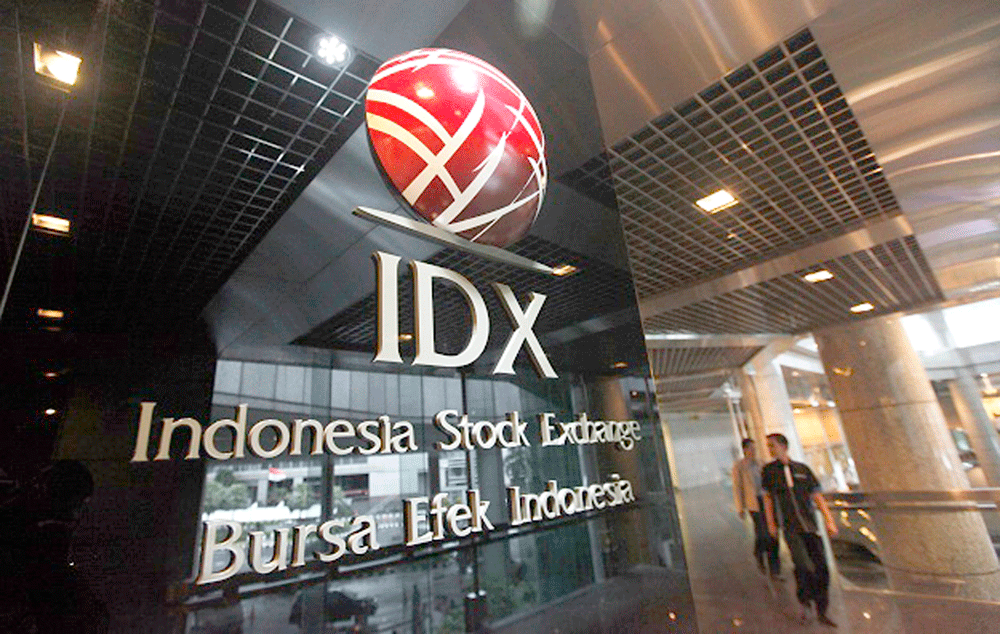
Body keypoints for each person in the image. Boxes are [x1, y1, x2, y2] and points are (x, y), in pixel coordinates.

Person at [762, 433, 839, 628]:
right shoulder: (769, 471)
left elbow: (817, 496)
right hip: (790, 527)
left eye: (772, 445)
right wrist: (771, 524)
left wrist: (829, 520)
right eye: (768, 446)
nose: (769, 449)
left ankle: (822, 609)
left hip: (810, 526)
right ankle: (805, 602)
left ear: (783, 446)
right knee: (802, 565)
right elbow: (768, 499)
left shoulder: (802, 469)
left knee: (822, 567)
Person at [731, 438, 780, 578]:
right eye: (751, 448)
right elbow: (737, 488)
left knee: (773, 533)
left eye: (754, 448)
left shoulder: (761, 463)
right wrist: (740, 508)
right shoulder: (739, 466)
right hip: (753, 503)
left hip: (767, 501)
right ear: (745, 450)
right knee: (762, 533)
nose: (754, 451)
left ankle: (775, 568)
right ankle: (759, 553)